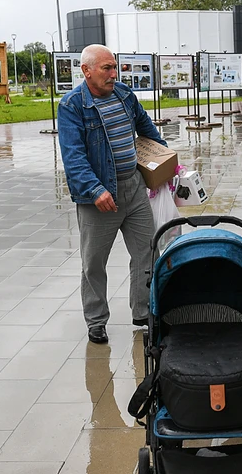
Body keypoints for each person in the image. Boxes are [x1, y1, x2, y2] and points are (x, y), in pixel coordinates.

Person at [58, 44, 167, 345]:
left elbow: (147, 130)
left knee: (147, 250)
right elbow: (73, 156)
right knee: (94, 262)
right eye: (106, 68)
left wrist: (166, 159)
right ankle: (96, 321)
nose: (113, 74)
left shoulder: (124, 95)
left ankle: (143, 311)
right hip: (99, 197)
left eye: (114, 67)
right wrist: (95, 190)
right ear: (86, 70)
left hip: (133, 188)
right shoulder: (72, 106)